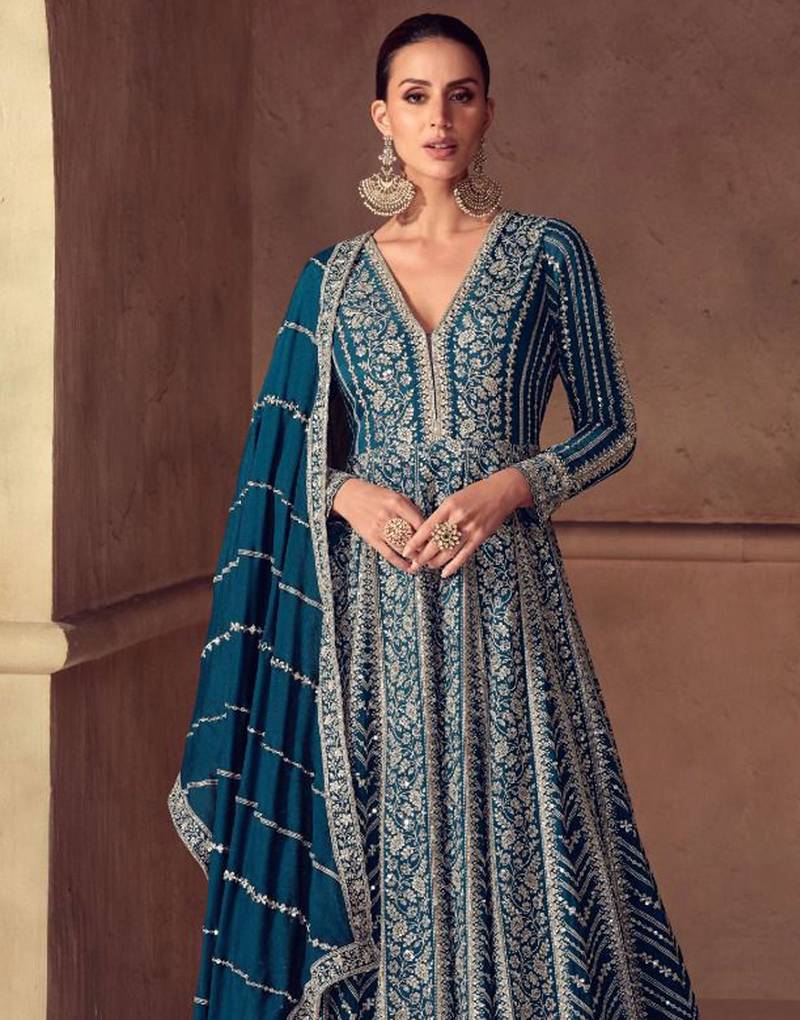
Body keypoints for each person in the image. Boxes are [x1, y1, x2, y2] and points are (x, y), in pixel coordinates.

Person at [168, 13, 700, 1019]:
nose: (439, 118)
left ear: (488, 111)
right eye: (415, 97)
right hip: (369, 623)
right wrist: (344, 492)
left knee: (525, 835)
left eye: (460, 95)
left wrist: (511, 488)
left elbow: (612, 428)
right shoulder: (330, 279)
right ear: (382, 117)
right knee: (380, 838)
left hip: (504, 603)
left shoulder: (546, 254)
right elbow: (282, 450)